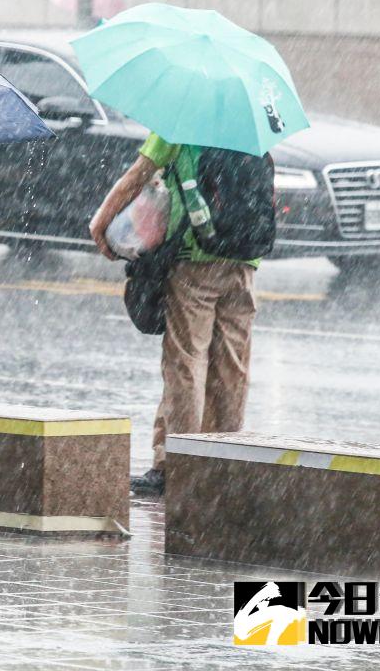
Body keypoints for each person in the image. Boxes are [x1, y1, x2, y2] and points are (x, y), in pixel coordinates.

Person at [89, 132, 260, 497]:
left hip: (194, 258)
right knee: (232, 365)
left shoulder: (182, 125)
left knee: (186, 361)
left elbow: (136, 176)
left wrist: (101, 221)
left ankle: (176, 467)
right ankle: (222, 462)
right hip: (245, 258)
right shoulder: (252, 128)